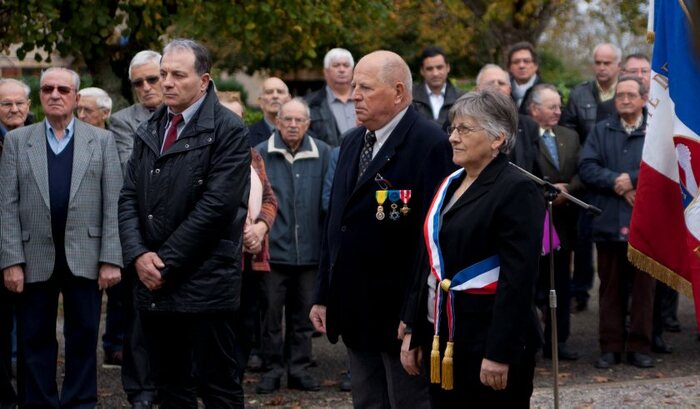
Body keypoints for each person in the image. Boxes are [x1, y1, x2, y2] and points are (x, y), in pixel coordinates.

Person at [310, 50, 454, 409]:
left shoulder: (430, 143)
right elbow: (336, 222)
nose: (354, 94)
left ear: (399, 92)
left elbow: (429, 241)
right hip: (355, 310)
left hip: (399, 317)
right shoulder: (353, 141)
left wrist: (415, 318)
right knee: (367, 402)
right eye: (354, 85)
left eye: (366, 88)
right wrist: (324, 293)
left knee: (407, 402)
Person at [118, 39, 251, 407]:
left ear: (204, 80)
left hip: (204, 283)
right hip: (155, 285)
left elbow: (218, 207)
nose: (167, 83)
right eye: (163, 74)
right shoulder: (151, 127)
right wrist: (138, 255)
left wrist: (164, 262)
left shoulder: (229, 129)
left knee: (218, 388)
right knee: (169, 386)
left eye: (178, 74)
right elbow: (128, 195)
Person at [405, 90, 543, 407]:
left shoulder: (516, 188)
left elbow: (517, 279)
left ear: (498, 139)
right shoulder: (451, 182)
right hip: (444, 335)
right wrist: (414, 328)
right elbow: (429, 261)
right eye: (453, 128)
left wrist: (498, 353)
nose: (453, 137)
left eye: (465, 129)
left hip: (488, 342)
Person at [0, 67, 123, 409]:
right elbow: (6, 205)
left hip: (85, 253)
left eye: (63, 89)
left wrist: (111, 258)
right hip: (32, 255)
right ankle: (39, 403)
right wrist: (11, 261)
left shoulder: (101, 140)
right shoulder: (17, 141)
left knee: (83, 337)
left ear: (76, 97)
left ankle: (80, 402)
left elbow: (113, 203)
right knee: (33, 338)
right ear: (40, 96)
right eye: (47, 89)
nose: (55, 94)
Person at [255, 98, 330, 393]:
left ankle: (299, 369)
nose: (293, 125)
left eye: (299, 120)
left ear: (308, 124)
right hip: (273, 252)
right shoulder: (260, 154)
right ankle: (272, 369)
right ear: (277, 121)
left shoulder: (323, 153)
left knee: (303, 318)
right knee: (270, 317)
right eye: (287, 120)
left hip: (310, 254)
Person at [579, 76, 654, 369]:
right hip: (608, 220)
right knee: (609, 289)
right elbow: (586, 166)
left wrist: (632, 179)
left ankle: (640, 347)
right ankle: (609, 347)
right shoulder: (601, 130)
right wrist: (616, 182)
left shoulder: (655, 131)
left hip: (644, 223)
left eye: (630, 95)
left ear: (643, 99)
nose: (624, 99)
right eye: (619, 95)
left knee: (643, 290)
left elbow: (664, 166)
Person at [109, 49, 164, 409]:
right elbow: (134, 171)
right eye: (138, 83)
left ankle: (173, 387)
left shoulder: (192, 116)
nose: (146, 87)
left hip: (183, 232)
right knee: (139, 322)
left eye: (152, 79)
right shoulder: (122, 121)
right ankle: (141, 391)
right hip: (140, 235)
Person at [561, 44, 621, 314]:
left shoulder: (626, 92)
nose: (602, 67)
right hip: (587, 178)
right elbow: (570, 133)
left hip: (618, 175)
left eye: (607, 62)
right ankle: (581, 291)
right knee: (583, 240)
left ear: (617, 65)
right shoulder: (580, 93)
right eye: (598, 62)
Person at [527, 83, 582, 361]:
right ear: (534, 109)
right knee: (532, 283)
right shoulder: (523, 137)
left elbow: (583, 169)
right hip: (533, 221)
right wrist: (546, 192)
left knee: (560, 282)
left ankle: (558, 342)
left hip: (564, 221)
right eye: (552, 107)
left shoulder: (570, 136)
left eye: (559, 106)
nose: (558, 111)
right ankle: (532, 340)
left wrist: (567, 189)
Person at [0, 78, 32, 409]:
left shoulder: (39, 136)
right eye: (6, 104)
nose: (14, 109)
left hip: (35, 246)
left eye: (20, 102)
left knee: (31, 327)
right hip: (3, 244)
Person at [474, 64, 540, 174]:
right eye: (490, 83)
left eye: (501, 83)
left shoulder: (529, 126)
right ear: (477, 90)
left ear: (509, 90)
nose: (496, 86)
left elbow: (536, 170)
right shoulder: (461, 123)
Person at [305, 48, 356, 146]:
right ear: (326, 71)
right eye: (336, 65)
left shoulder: (367, 99)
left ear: (353, 70)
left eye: (346, 65)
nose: (342, 70)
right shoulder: (310, 104)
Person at [412, 46, 463, 127]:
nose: (435, 73)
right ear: (422, 71)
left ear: (448, 67)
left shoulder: (462, 99)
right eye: (429, 69)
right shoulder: (410, 98)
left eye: (439, 67)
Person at [249, 77, 291, 147]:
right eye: (269, 92)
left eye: (280, 92)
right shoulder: (248, 135)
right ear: (260, 101)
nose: (275, 96)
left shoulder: (305, 135)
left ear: (289, 99)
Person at [506, 41, 542, 114]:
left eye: (526, 61)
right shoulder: (501, 92)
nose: (521, 66)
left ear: (535, 65)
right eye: (516, 62)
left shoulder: (550, 93)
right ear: (509, 67)